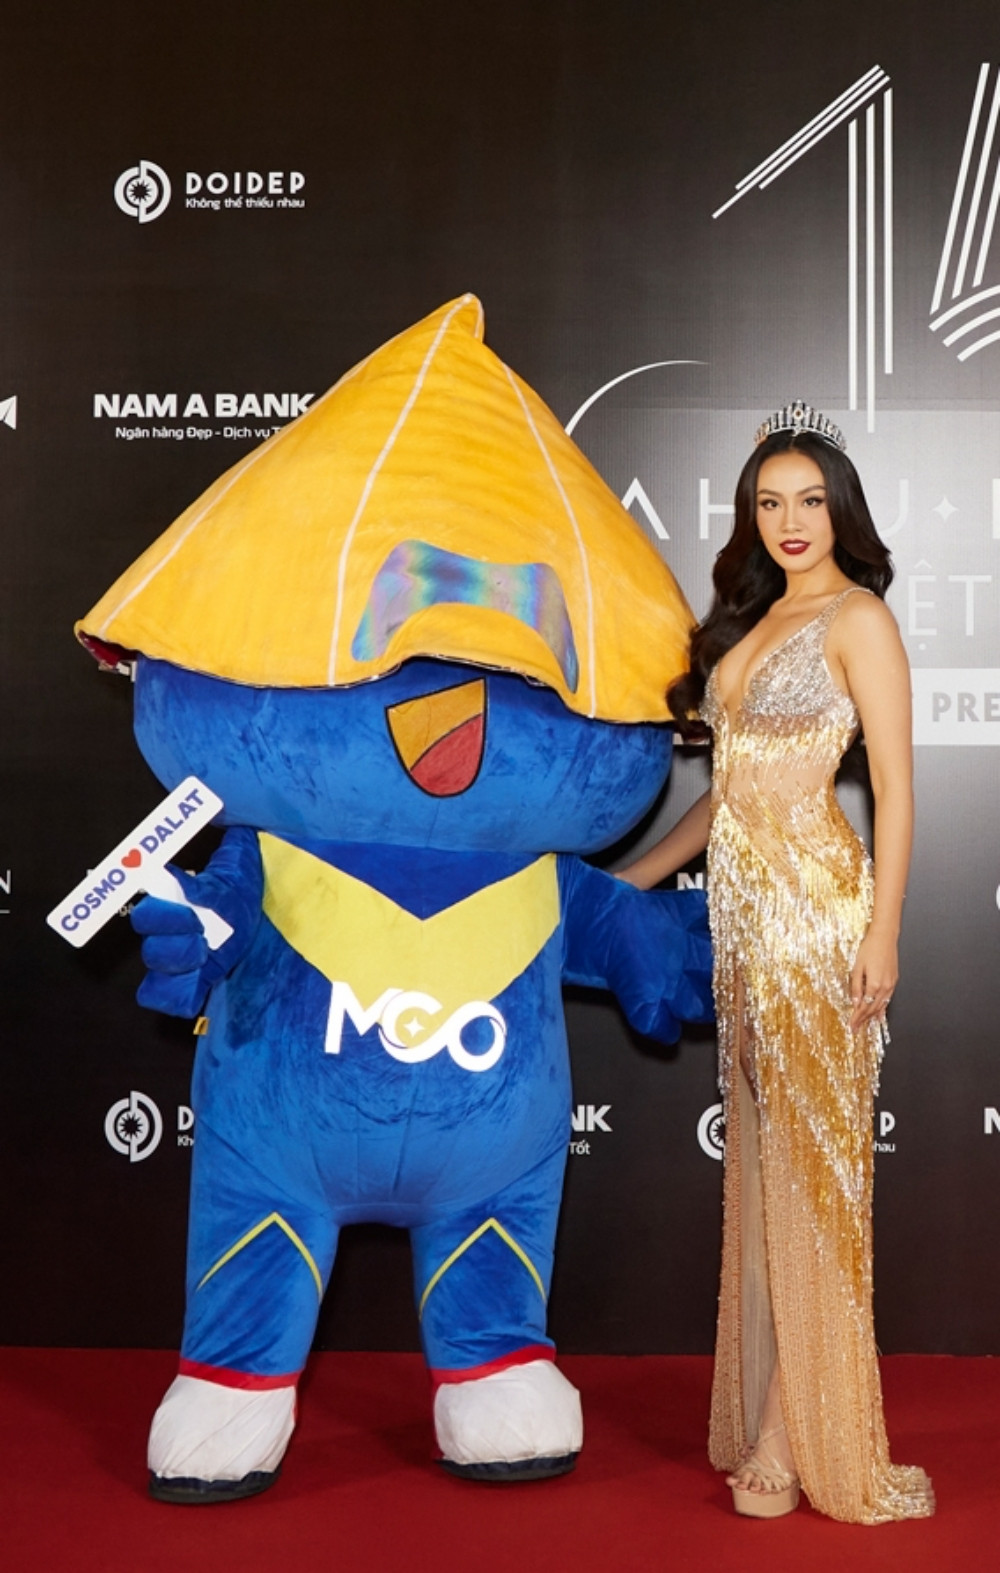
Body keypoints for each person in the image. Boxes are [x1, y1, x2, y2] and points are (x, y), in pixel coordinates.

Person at [620, 404, 934, 1523]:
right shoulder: (750, 620)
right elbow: (725, 799)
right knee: (769, 1174)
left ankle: (788, 1439)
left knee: (817, 1178)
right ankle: (780, 1410)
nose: (789, 520)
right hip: (743, 932)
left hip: (818, 919)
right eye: (768, 501)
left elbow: (894, 789)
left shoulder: (859, 619)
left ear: (839, 508)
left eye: (808, 499)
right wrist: (627, 882)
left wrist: (882, 931)